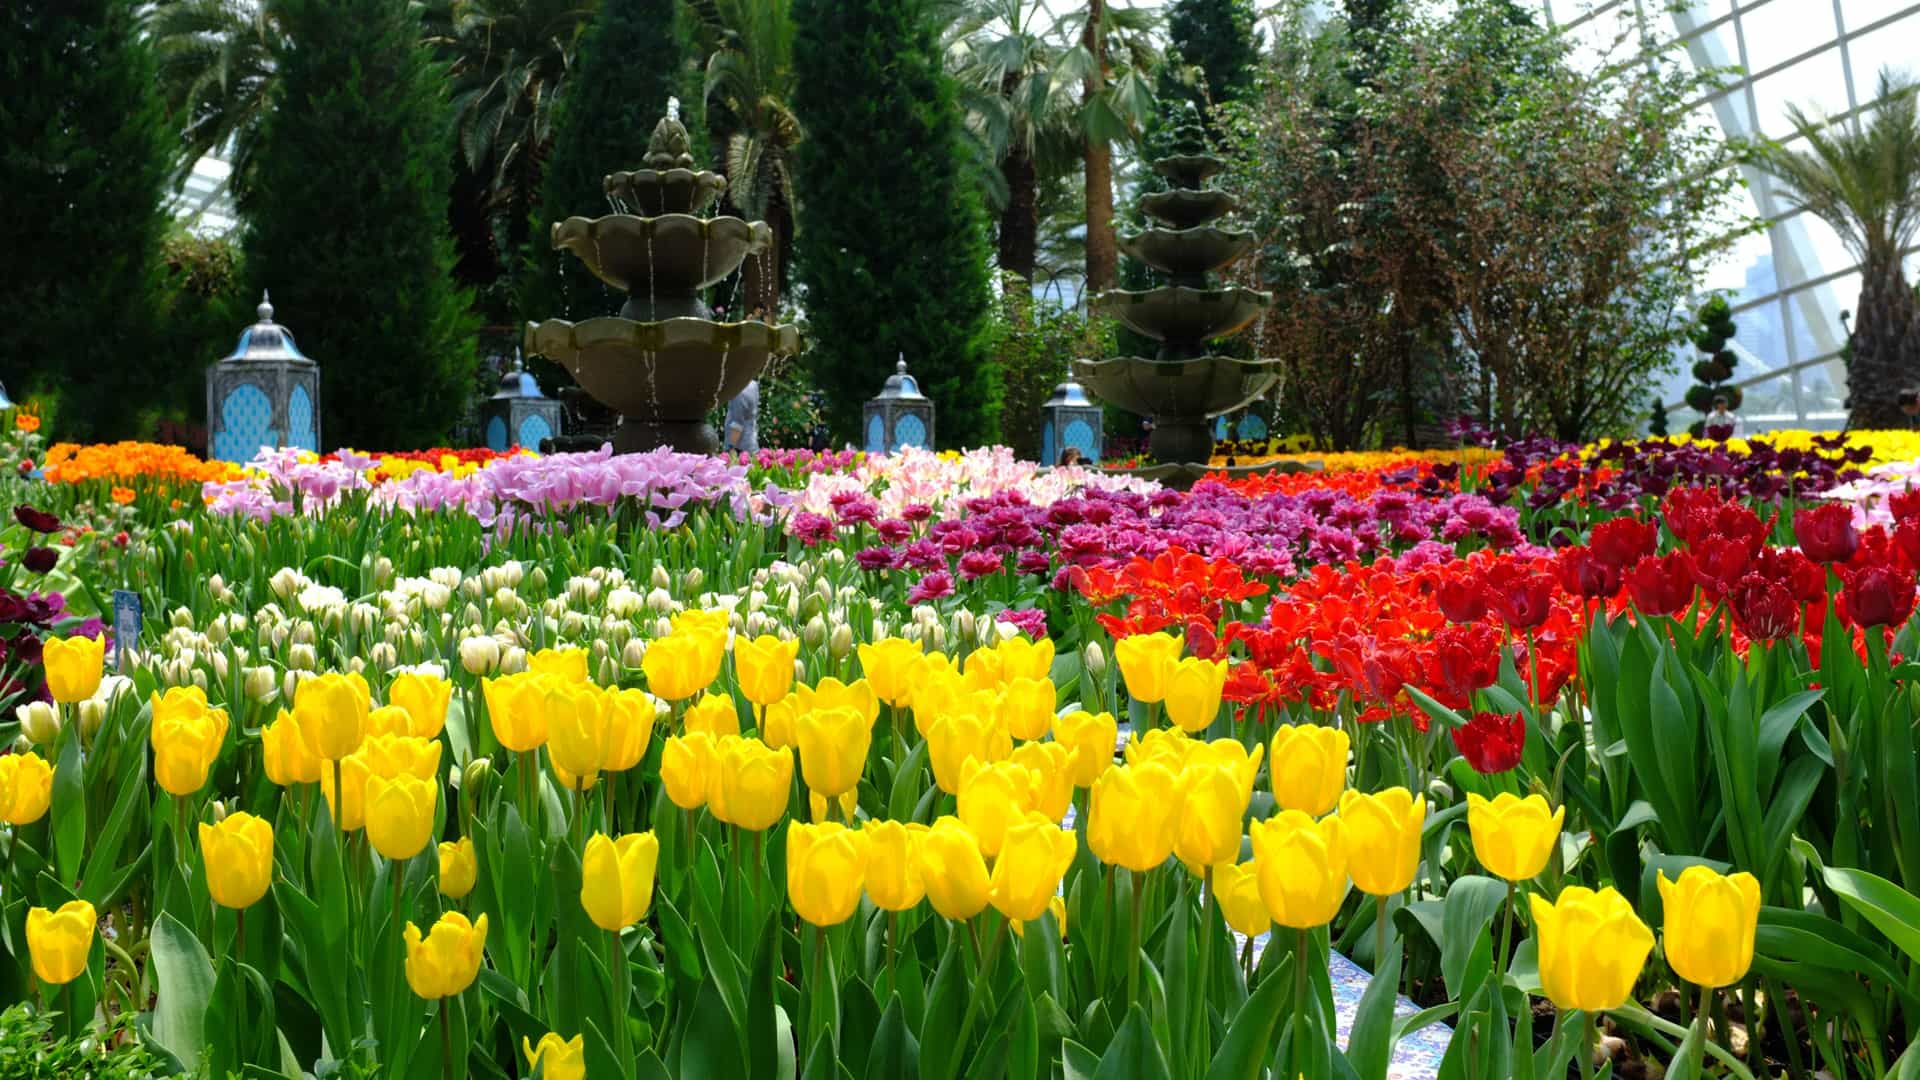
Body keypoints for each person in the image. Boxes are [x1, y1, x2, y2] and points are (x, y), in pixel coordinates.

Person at [726, 378, 760, 455]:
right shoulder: (753, 384)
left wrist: (731, 448)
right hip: (752, 444)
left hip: (740, 449)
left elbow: (737, 424)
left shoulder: (738, 391)